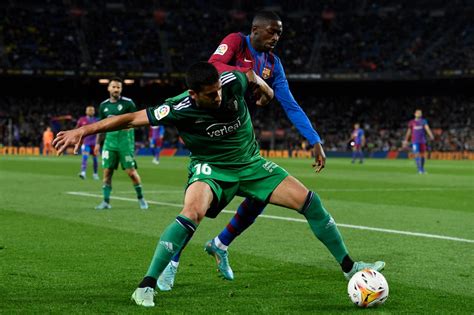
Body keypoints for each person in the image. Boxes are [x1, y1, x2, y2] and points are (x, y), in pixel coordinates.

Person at [53, 62, 385, 308]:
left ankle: (349, 266)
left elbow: (252, 76)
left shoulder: (232, 81)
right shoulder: (177, 107)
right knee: (191, 212)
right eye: (211, 95)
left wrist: (266, 90)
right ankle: (146, 284)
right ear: (194, 94)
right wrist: (83, 130)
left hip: (252, 164)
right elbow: (128, 118)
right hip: (211, 168)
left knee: (310, 202)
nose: (219, 96)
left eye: (219, 90)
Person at [158, 11, 326, 289]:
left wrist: (314, 139)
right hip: (212, 135)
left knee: (261, 193)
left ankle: (221, 243)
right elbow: (213, 65)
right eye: (272, 31)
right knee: (198, 207)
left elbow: (290, 103)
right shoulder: (236, 42)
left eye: (280, 33)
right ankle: (171, 263)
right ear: (255, 30)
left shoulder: (274, 64)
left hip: (241, 138)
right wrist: (249, 76)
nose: (276, 38)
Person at [93, 77, 148, 210]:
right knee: (107, 172)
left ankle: (141, 199)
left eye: (118, 87)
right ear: (109, 88)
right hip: (109, 142)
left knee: (131, 172)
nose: (116, 89)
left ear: (121, 89)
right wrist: (97, 144)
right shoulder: (103, 106)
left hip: (125, 142)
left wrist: (123, 125)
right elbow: (101, 126)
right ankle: (106, 202)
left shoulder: (128, 103)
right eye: (114, 86)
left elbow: (137, 121)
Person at [403, 109, 434, 174]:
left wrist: (431, 135)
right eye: (418, 113)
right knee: (416, 154)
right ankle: (419, 169)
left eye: (420, 113)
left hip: (422, 141)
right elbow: (409, 132)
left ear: (421, 114)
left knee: (423, 155)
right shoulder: (411, 122)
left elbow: (427, 128)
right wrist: (406, 140)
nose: (419, 114)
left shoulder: (423, 121)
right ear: (415, 114)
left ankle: (422, 168)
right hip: (415, 141)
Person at [76, 106, 99, 179]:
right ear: (86, 111)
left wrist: (98, 143)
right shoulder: (81, 120)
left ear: (94, 112)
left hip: (94, 143)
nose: (91, 111)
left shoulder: (97, 120)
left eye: (92, 110)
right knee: (85, 157)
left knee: (95, 159)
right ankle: (83, 172)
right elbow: (77, 130)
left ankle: (95, 174)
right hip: (86, 143)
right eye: (89, 110)